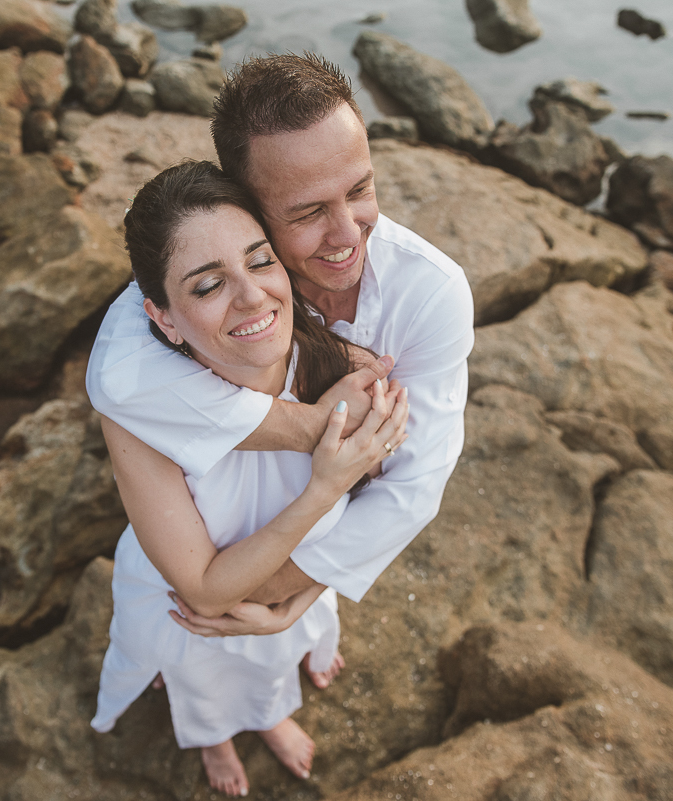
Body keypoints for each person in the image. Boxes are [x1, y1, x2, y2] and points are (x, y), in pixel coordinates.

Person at [87, 53, 475, 629]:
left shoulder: (430, 291)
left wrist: (290, 595)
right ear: (246, 206)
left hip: (288, 552)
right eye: (308, 212)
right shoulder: (204, 273)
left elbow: (416, 482)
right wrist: (314, 428)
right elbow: (114, 381)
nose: (347, 234)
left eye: (360, 189)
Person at [90, 160, 409, 797]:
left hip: (294, 572)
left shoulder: (344, 369)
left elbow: (393, 504)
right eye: (208, 285)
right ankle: (211, 736)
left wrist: (303, 596)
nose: (253, 297)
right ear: (164, 318)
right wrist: (322, 488)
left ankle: (267, 715)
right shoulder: (139, 420)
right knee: (200, 664)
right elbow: (205, 593)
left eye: (260, 261)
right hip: (190, 603)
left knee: (272, 654)